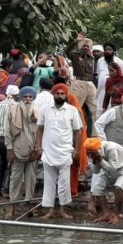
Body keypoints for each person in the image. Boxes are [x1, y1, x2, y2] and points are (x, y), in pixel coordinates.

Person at [36, 83, 83, 219]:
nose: (60, 96)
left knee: (64, 184)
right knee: (49, 183)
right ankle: (49, 211)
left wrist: (76, 151)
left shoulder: (72, 110)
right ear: (53, 94)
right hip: (48, 152)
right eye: (58, 93)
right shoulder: (46, 110)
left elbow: (78, 132)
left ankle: (62, 210)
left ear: (66, 95)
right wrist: (39, 147)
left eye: (63, 94)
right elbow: (39, 129)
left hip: (65, 152)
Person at [84, 137, 123, 224]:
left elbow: (113, 170)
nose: (90, 154)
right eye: (88, 152)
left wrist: (100, 159)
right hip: (109, 169)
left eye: (92, 152)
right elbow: (96, 171)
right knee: (97, 189)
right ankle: (106, 214)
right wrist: (94, 160)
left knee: (118, 188)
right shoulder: (91, 153)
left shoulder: (111, 148)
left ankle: (117, 215)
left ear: (99, 149)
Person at [4, 86, 39, 218]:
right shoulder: (13, 111)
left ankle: (29, 207)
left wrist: (37, 150)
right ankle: (12, 207)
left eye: (30, 97)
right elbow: (7, 131)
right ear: (21, 98)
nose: (28, 99)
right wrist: (10, 149)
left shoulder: (38, 112)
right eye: (25, 97)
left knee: (31, 180)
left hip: (33, 152)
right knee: (15, 179)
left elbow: (41, 133)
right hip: (17, 151)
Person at [0, 85, 19, 198]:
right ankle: (7, 190)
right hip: (10, 137)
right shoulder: (16, 106)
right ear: (17, 95)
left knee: (1, 162)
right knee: (12, 163)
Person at [66, 34, 97, 122]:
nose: (86, 47)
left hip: (90, 84)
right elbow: (67, 51)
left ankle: (96, 133)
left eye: (88, 46)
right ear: (80, 47)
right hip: (79, 83)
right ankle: (72, 131)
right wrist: (76, 41)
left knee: (96, 108)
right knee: (75, 108)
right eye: (84, 45)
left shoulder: (91, 58)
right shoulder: (75, 55)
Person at [94, 43, 123, 119]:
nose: (107, 51)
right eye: (106, 50)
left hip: (114, 93)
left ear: (114, 51)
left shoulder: (119, 62)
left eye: (110, 50)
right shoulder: (100, 61)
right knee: (99, 112)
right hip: (101, 92)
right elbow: (99, 74)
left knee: (111, 113)